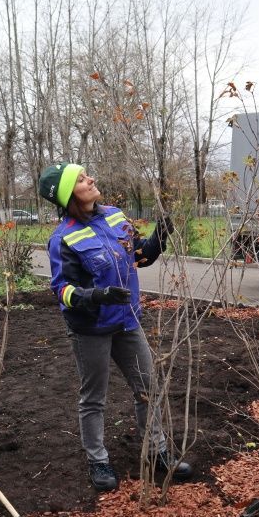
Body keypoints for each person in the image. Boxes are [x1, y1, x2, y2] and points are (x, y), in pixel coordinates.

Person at [40, 162, 193, 491]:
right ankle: (97, 460)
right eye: (81, 180)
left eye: (87, 174)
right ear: (68, 194)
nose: (91, 179)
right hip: (91, 328)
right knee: (94, 397)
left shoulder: (114, 215)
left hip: (127, 321)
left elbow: (138, 255)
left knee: (148, 389)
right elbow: (62, 291)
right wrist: (97, 296)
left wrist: (159, 237)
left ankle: (157, 453)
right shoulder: (63, 238)